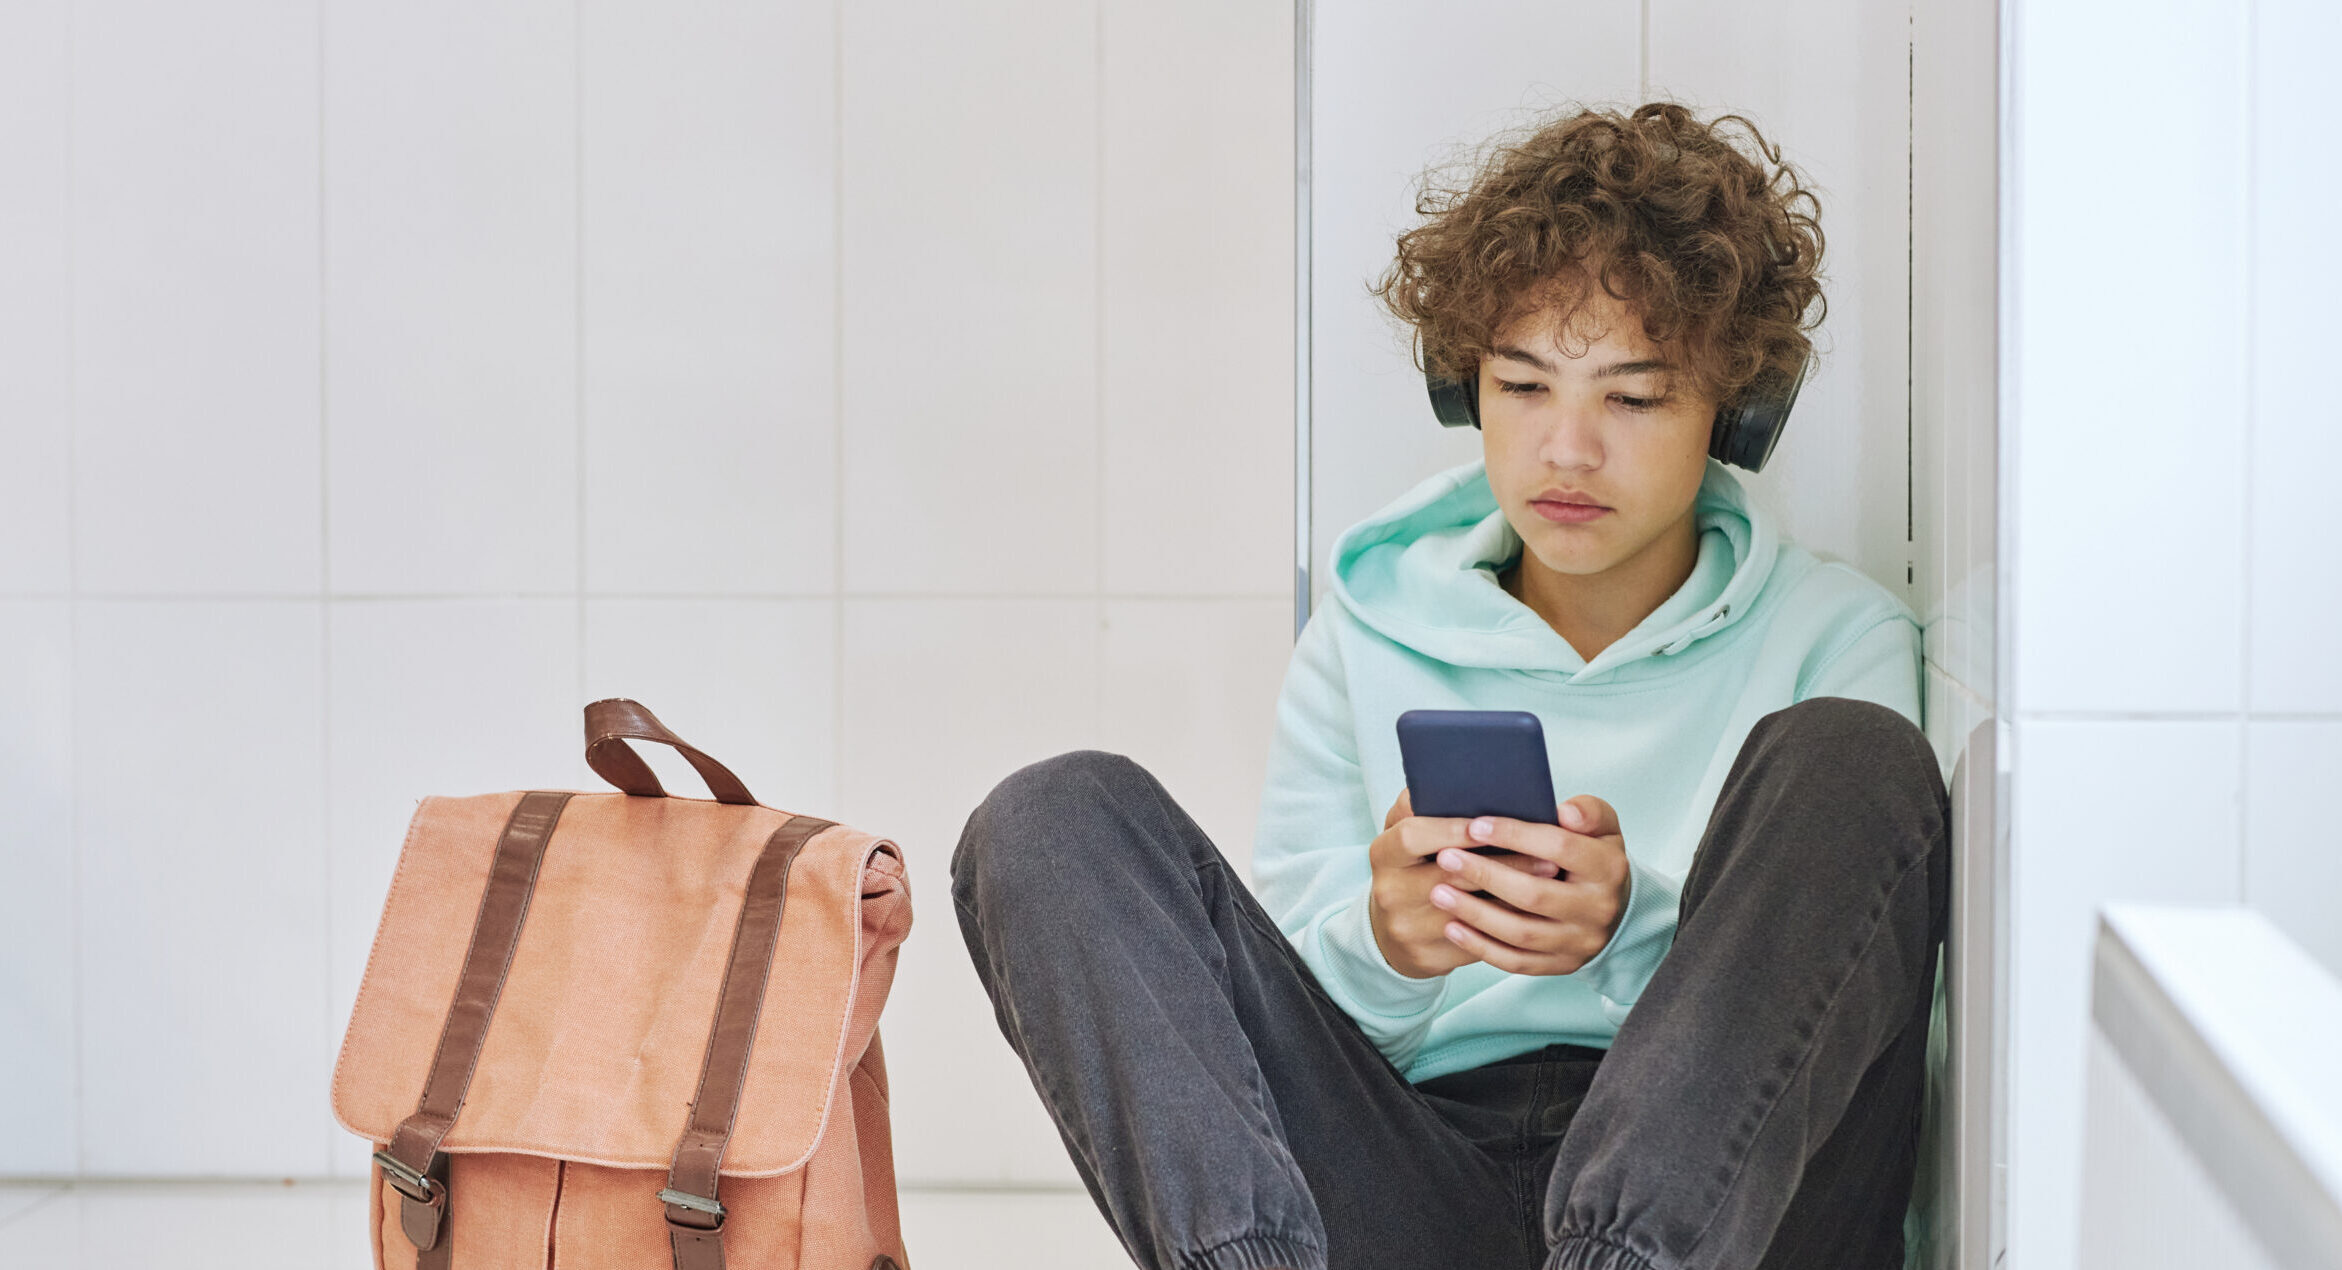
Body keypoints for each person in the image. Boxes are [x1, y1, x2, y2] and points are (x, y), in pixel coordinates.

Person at [950, 100, 1949, 1270]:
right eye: (1522, 387)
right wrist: (1389, 942)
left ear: (1733, 412)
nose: (1565, 450)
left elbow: (1836, 1006)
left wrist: (1625, 931)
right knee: (1052, 816)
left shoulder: (1835, 639)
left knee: (1850, 756)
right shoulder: (1363, 633)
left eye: (1630, 398)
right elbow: (1286, 1040)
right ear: (1461, 387)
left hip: (1721, 1212)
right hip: (1408, 1173)